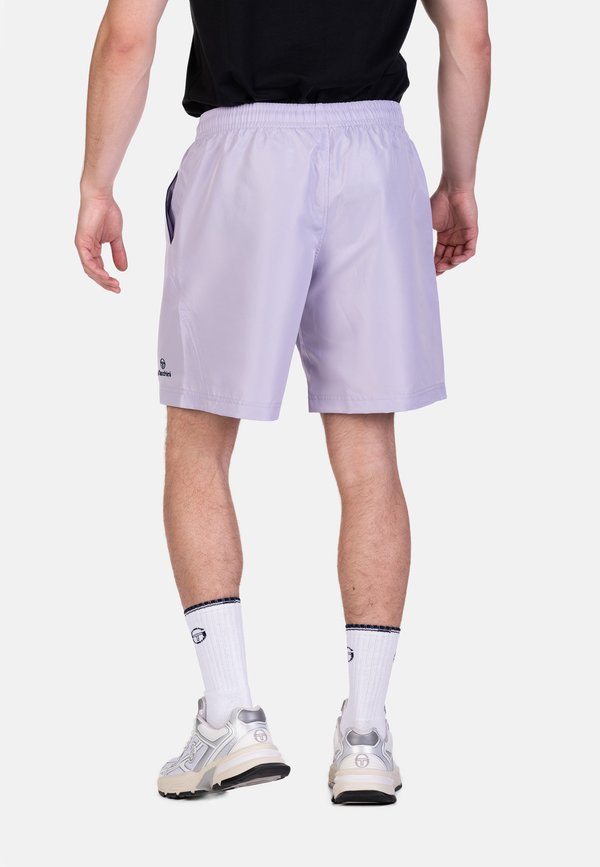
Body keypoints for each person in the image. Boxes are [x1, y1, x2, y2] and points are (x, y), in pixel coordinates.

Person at [75, 0, 491, 805]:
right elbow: (468, 33)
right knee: (368, 454)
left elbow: (128, 36)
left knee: (198, 439)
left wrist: (97, 184)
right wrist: (461, 179)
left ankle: (231, 715)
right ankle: (365, 735)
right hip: (375, 155)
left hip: (246, 151)